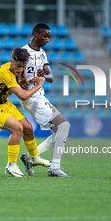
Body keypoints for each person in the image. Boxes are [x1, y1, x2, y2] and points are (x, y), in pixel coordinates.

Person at [0, 47, 46, 177]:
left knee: (28, 127)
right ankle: (11, 166)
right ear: (11, 62)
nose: (20, 70)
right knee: (17, 128)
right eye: (18, 66)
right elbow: (23, 96)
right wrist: (38, 85)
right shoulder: (5, 73)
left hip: (2, 102)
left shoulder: (18, 70)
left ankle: (33, 158)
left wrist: (30, 80)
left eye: (23, 66)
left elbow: (20, 81)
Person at [19, 23, 71, 177]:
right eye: (45, 35)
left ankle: (29, 157)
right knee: (64, 126)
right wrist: (30, 80)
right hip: (31, 97)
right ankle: (54, 168)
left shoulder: (42, 54)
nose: (47, 39)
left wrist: (43, 76)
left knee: (59, 131)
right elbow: (18, 77)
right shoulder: (23, 52)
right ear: (36, 33)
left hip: (40, 96)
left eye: (49, 36)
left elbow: (51, 77)